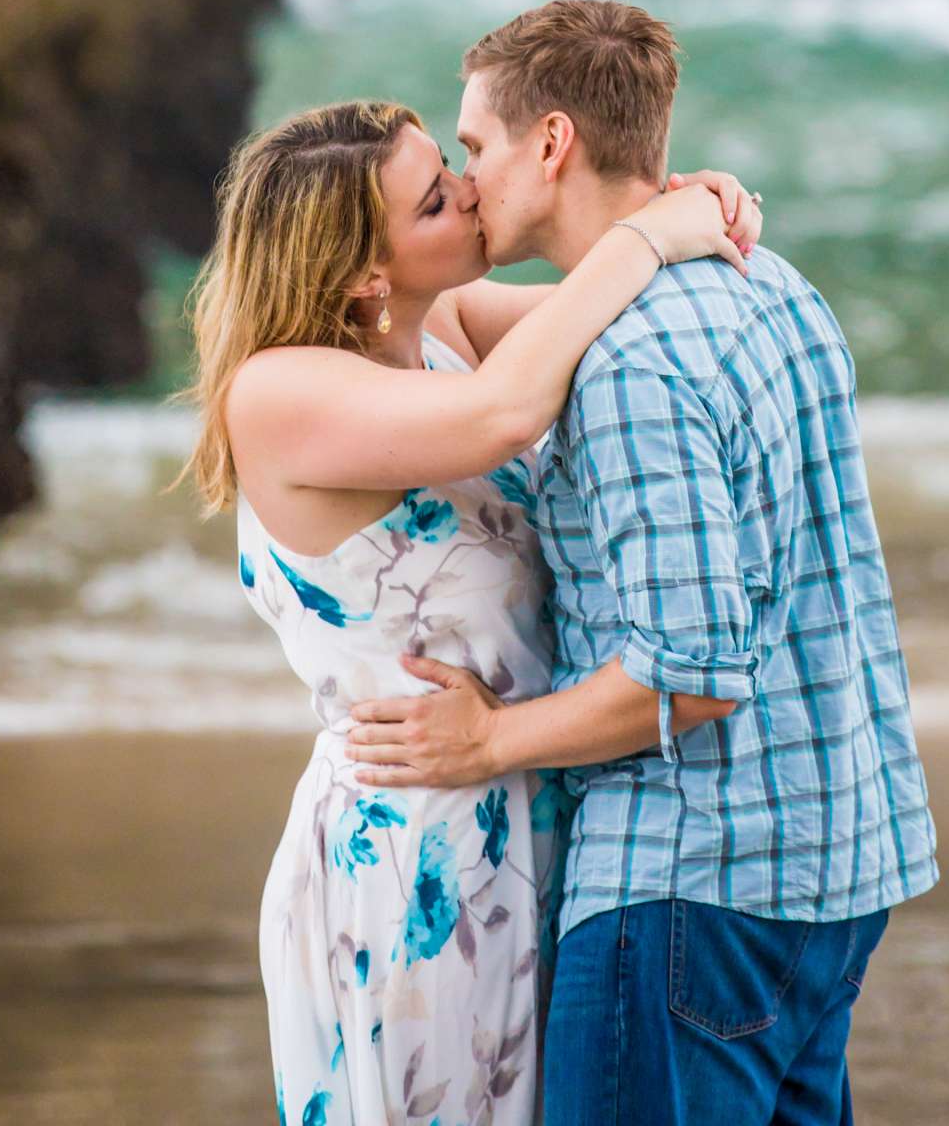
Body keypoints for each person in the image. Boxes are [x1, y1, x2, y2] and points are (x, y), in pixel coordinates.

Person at [348, 0, 939, 1126]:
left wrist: (489, 741)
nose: (467, 184)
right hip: (840, 865)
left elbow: (694, 671)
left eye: (474, 149)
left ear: (554, 142)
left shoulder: (625, 368)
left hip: (689, 888)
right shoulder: (776, 286)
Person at [177, 95, 762, 1126]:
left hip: (522, 793)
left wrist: (689, 214)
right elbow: (509, 411)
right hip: (415, 848)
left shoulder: (437, 324)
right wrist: (642, 236)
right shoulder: (278, 393)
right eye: (436, 199)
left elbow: (624, 321)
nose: (471, 192)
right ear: (366, 271)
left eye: (451, 164)